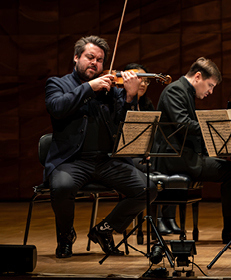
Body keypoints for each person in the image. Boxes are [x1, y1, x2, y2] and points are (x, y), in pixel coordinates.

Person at [44, 35, 157, 258]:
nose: (95, 63)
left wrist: (130, 97)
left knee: (148, 189)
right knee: (63, 187)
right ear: (76, 57)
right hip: (72, 162)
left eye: (100, 60)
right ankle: (65, 237)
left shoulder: (112, 90)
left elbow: (125, 126)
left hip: (107, 161)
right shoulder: (57, 83)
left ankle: (105, 229)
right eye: (90, 57)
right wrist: (88, 87)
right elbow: (57, 107)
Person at [152, 57, 231, 243]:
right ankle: (230, 230)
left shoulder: (183, 91)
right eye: (210, 85)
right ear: (197, 76)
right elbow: (183, 124)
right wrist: (216, 127)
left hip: (183, 156)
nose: (210, 91)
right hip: (174, 159)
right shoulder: (175, 91)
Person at [124, 62, 181, 235]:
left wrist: (150, 152)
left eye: (146, 81)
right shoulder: (119, 104)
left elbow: (154, 136)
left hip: (144, 156)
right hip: (125, 158)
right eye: (139, 79)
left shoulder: (147, 105)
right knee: (157, 166)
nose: (142, 84)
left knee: (169, 163)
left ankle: (168, 218)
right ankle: (157, 220)